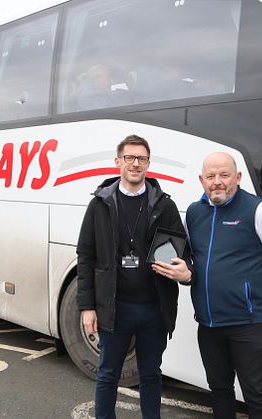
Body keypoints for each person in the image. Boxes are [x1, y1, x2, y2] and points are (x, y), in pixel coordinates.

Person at [76, 134, 192, 419]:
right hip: (115, 307)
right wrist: (87, 306)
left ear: (148, 164)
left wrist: (184, 270)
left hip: (154, 308)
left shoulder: (164, 205)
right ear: (118, 162)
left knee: (151, 375)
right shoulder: (100, 204)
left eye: (141, 158)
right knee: (108, 373)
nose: (135, 163)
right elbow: (86, 257)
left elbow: (183, 252)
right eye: (129, 157)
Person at [183, 152, 262, 419]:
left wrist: (255, 287)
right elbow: (191, 257)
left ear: (238, 177)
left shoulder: (259, 210)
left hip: (249, 325)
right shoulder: (194, 213)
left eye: (224, 175)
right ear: (202, 180)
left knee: (256, 396)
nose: (217, 182)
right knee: (219, 390)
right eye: (210, 176)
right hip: (209, 325)